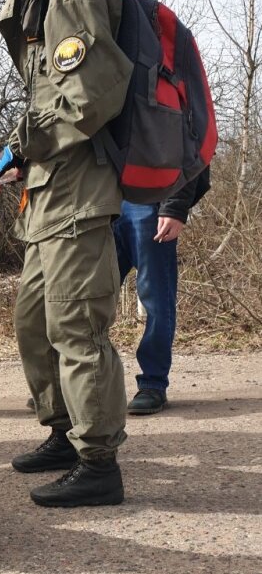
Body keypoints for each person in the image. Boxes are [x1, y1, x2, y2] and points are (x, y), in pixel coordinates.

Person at [0, 0, 132, 507]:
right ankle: (63, 432)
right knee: (31, 321)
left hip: (78, 187)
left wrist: (30, 140)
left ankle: (98, 461)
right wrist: (26, 150)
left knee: (76, 326)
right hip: (49, 191)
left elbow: (91, 95)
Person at [114, 169, 210, 415]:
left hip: (149, 202)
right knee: (89, 296)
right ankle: (81, 385)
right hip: (101, 200)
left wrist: (175, 207)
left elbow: (193, 146)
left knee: (157, 298)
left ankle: (153, 383)